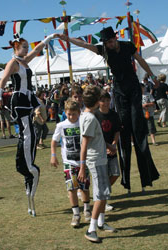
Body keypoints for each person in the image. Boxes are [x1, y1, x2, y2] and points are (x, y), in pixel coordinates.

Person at [55, 26, 160, 192]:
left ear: (115, 38)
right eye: (107, 43)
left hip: (133, 88)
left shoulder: (127, 46)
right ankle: (127, 183)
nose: (109, 45)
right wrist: (67, 39)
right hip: (119, 92)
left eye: (111, 41)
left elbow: (140, 60)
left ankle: (147, 178)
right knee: (124, 133)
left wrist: (152, 76)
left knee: (139, 132)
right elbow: (84, 45)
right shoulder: (103, 50)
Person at [0, 33, 56, 216]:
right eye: (24, 47)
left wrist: (47, 39)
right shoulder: (13, 62)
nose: (27, 50)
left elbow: (37, 50)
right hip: (20, 99)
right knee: (26, 130)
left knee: (30, 127)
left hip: (28, 97)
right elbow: (3, 80)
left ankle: (30, 171)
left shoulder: (24, 61)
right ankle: (30, 170)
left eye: (27, 47)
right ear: (16, 48)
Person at [78, 85, 116, 243]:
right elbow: (84, 144)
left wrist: (109, 146)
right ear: (96, 102)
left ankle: (100, 223)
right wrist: (81, 167)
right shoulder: (90, 118)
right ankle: (91, 229)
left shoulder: (89, 116)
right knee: (100, 195)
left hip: (100, 158)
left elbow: (95, 138)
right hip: (95, 161)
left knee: (104, 192)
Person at [50, 99, 91, 228]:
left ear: (79, 112)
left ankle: (87, 209)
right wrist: (53, 156)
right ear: (65, 113)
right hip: (69, 162)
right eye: (69, 114)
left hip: (83, 161)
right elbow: (54, 141)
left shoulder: (82, 123)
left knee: (84, 187)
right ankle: (76, 214)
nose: (71, 116)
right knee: (71, 188)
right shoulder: (61, 125)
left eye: (74, 114)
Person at [95, 90, 121, 211]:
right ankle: (103, 201)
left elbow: (117, 131)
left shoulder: (114, 115)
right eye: (103, 100)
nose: (105, 103)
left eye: (107, 100)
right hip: (100, 151)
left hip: (112, 149)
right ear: (98, 102)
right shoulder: (95, 116)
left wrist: (114, 145)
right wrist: (106, 147)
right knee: (103, 177)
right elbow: (95, 135)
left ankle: (103, 192)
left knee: (115, 173)